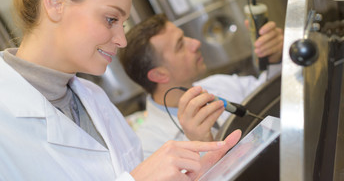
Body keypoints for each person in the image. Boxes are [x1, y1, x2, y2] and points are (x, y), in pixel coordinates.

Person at [0, 0, 242, 181]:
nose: (122, 40)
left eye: (123, 24)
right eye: (111, 19)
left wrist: (200, 176)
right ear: (55, 2)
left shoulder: (94, 99)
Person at [119, 13, 283, 159]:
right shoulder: (149, 146)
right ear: (159, 75)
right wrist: (201, 147)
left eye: (185, 37)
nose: (196, 43)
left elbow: (271, 97)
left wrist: (276, 60)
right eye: (180, 45)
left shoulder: (216, 84)